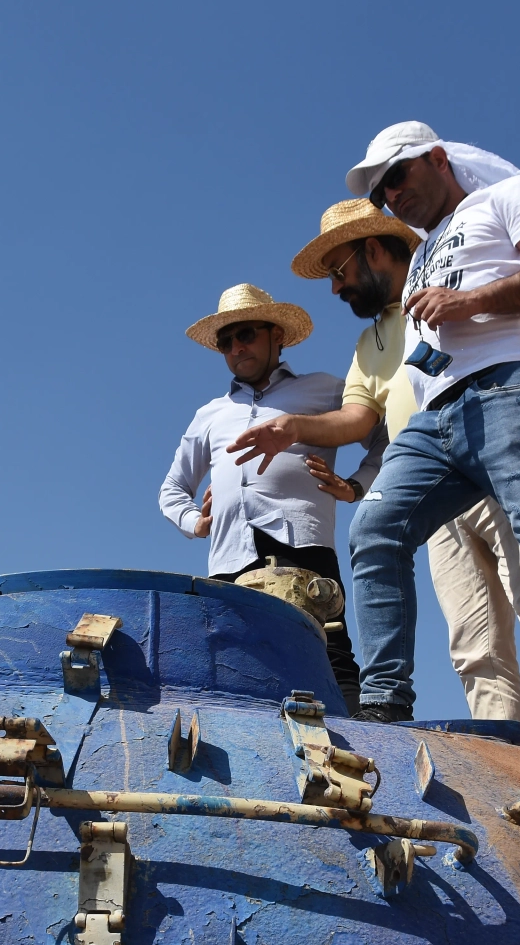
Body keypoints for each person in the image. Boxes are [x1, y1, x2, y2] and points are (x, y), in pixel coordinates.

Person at [348, 121, 520, 765]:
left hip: (509, 389)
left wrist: (470, 304)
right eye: (381, 190)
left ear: (437, 158)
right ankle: (384, 701)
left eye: (398, 175)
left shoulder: (506, 199)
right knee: (373, 531)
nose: (391, 195)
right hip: (437, 413)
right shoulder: (423, 247)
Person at [288, 197, 520, 727]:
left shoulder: (453, 280)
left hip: (497, 469)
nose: (335, 288)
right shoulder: (371, 343)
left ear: (373, 250)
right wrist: (292, 429)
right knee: (472, 645)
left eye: (339, 270)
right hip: (429, 500)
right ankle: (510, 766)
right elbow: (357, 421)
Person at [158, 284, 371, 713]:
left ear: (276, 335)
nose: (237, 347)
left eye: (247, 334)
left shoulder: (325, 390)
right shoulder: (210, 415)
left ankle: (360, 745)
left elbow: (382, 436)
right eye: (226, 341)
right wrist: (196, 523)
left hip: (303, 545)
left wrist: (356, 485)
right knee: (235, 665)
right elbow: (171, 489)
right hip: (229, 557)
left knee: (329, 656)